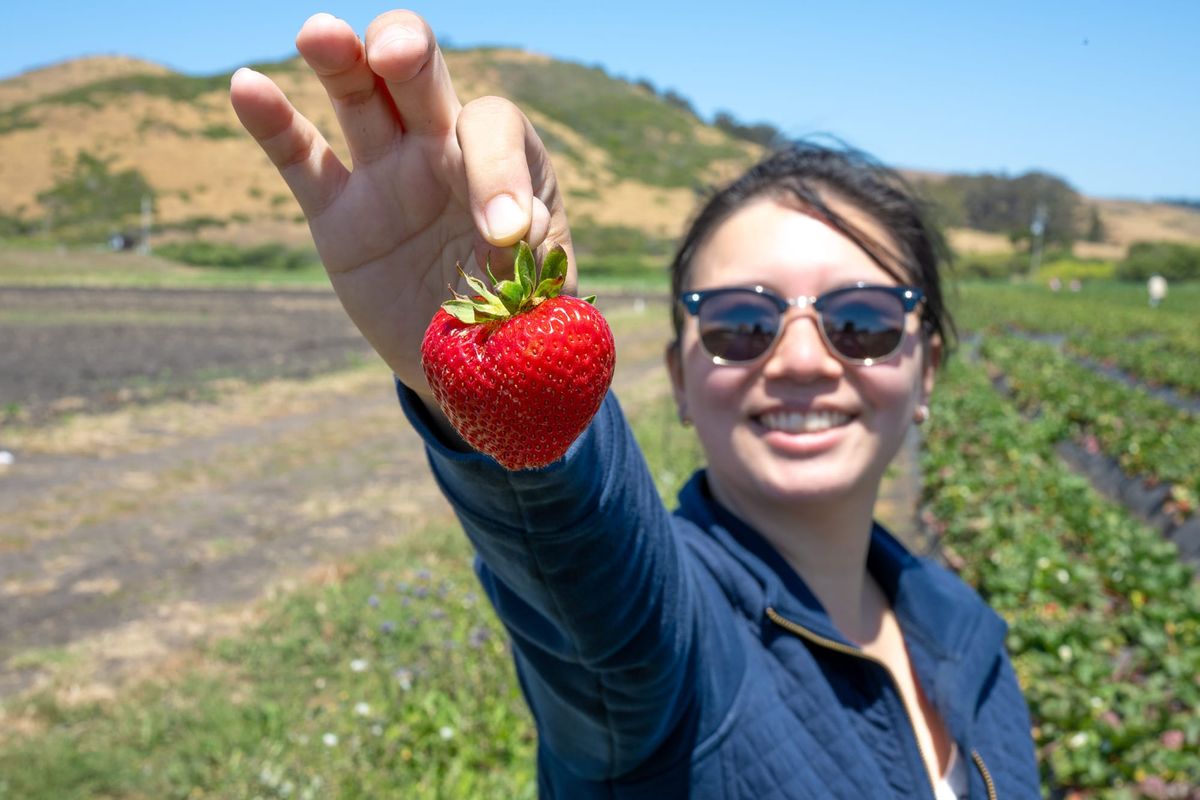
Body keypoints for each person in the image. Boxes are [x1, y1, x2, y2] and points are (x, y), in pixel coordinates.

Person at [231, 10, 1040, 798]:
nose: (801, 359)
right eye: (741, 322)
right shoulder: (669, 645)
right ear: (680, 378)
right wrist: (501, 393)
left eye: (862, 320)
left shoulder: (973, 642)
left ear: (927, 370)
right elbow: (591, 596)